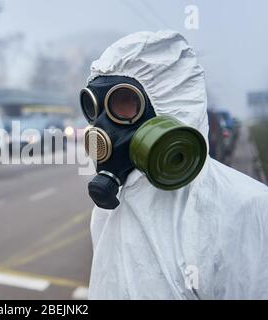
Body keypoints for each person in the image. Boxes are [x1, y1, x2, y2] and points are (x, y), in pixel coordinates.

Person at [81, 30, 268, 299]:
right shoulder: (110, 209)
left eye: (124, 102)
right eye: (94, 107)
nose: (101, 126)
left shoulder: (246, 207)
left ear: (169, 109)